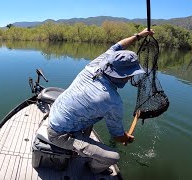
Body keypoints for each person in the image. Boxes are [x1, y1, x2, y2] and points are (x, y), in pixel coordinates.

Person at [47, 28, 155, 175]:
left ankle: (83, 146)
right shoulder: (112, 101)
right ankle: (92, 169)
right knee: (113, 157)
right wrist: (128, 138)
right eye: (131, 75)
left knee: (92, 115)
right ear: (124, 76)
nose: (131, 78)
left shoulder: (97, 64)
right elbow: (118, 137)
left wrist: (139, 35)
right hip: (59, 134)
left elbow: (118, 46)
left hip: (55, 112)